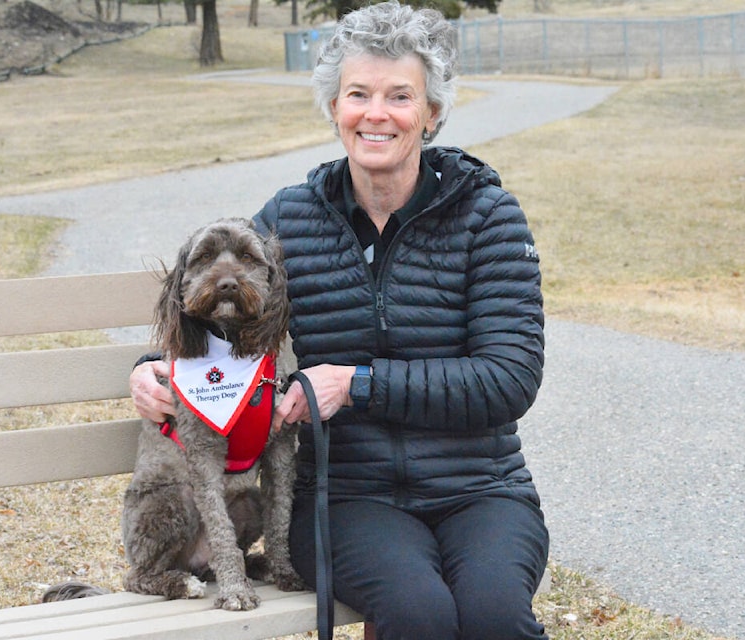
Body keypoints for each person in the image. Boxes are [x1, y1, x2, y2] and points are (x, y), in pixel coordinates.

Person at [129, 2, 549, 638]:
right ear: (334, 108)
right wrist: (147, 370)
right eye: (358, 94)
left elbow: (509, 379)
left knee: (495, 617)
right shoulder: (289, 221)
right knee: (420, 614)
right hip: (347, 496)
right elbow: (214, 297)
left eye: (400, 95)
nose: (376, 113)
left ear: (431, 112)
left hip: (481, 489)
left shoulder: (487, 217)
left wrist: (355, 384)